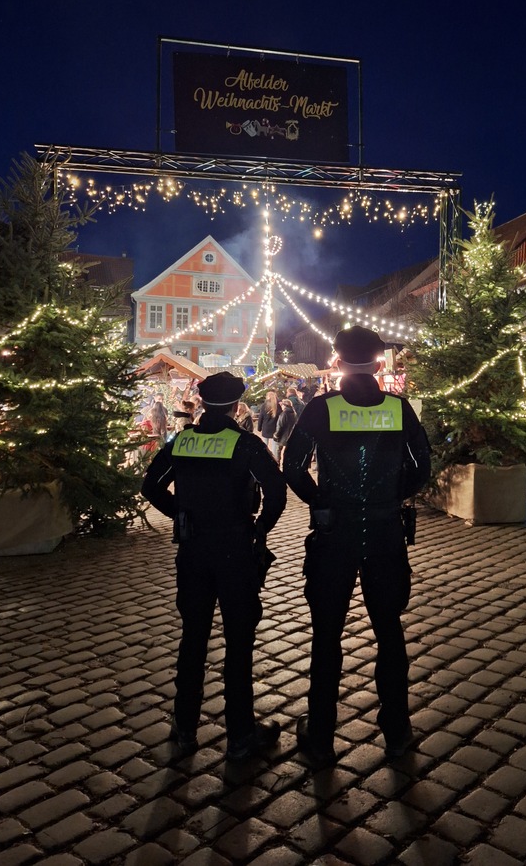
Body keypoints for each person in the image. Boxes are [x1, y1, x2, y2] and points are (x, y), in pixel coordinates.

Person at [283, 325, 431, 766]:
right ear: (380, 362)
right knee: (389, 631)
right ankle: (397, 731)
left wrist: (321, 499)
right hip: (385, 533)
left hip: (335, 535)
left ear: (337, 360)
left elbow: (292, 466)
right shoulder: (398, 408)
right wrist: (392, 495)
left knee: (327, 636)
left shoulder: (320, 408)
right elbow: (422, 467)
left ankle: (322, 736)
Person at [141, 371, 287, 762]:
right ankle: (240, 734)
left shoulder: (182, 441)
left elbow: (150, 486)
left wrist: (180, 513)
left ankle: (185, 727)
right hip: (235, 551)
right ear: (238, 406)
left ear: (202, 403)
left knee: (193, 638)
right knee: (239, 642)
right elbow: (275, 492)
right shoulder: (245, 444)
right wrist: (260, 529)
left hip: (193, 550)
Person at [257, 389, 280, 460]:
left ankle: (264, 459)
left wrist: (259, 428)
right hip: (275, 428)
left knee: (264, 445)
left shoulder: (264, 405)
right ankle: (275, 461)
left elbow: (261, 417)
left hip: (266, 428)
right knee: (275, 447)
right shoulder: (278, 406)